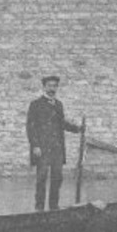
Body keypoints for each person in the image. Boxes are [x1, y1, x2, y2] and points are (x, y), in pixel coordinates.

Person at [25, 75, 82, 211]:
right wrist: (35, 146)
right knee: (41, 179)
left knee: (57, 178)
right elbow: (30, 127)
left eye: (54, 86)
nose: (52, 89)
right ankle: (39, 208)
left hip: (57, 149)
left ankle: (53, 207)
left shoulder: (58, 105)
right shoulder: (36, 104)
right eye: (49, 86)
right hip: (42, 149)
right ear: (44, 87)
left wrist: (77, 129)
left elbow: (61, 123)